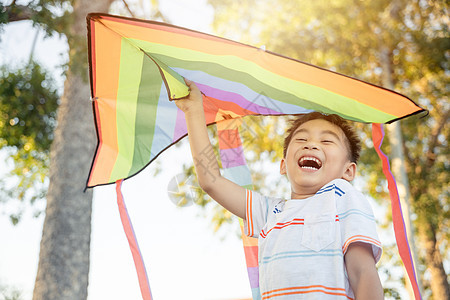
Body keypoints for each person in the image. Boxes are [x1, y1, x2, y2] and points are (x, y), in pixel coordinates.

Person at [176, 79, 384, 300]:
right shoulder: (270, 212)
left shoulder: (343, 197)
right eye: (302, 138)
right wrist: (193, 112)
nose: (311, 144)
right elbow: (211, 181)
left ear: (348, 171)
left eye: (327, 141)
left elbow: (362, 272)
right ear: (283, 165)